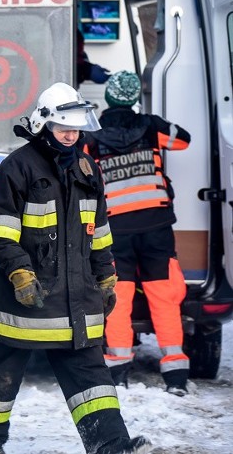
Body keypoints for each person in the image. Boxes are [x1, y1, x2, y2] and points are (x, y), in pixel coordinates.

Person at [0, 82, 150, 454]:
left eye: (75, 127)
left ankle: (111, 445)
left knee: (92, 378)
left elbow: (98, 231)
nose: (71, 134)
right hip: (23, 302)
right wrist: (21, 273)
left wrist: (106, 277)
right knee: (0, 378)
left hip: (77, 301)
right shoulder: (16, 168)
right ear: (44, 125)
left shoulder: (87, 169)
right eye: (62, 127)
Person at [83, 71, 191, 396]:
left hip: (117, 231)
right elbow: (183, 139)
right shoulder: (151, 127)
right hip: (157, 227)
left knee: (119, 299)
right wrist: (151, 120)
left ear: (110, 97)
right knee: (164, 297)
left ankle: (117, 371)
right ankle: (175, 373)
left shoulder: (93, 135)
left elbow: (82, 171)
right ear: (132, 99)